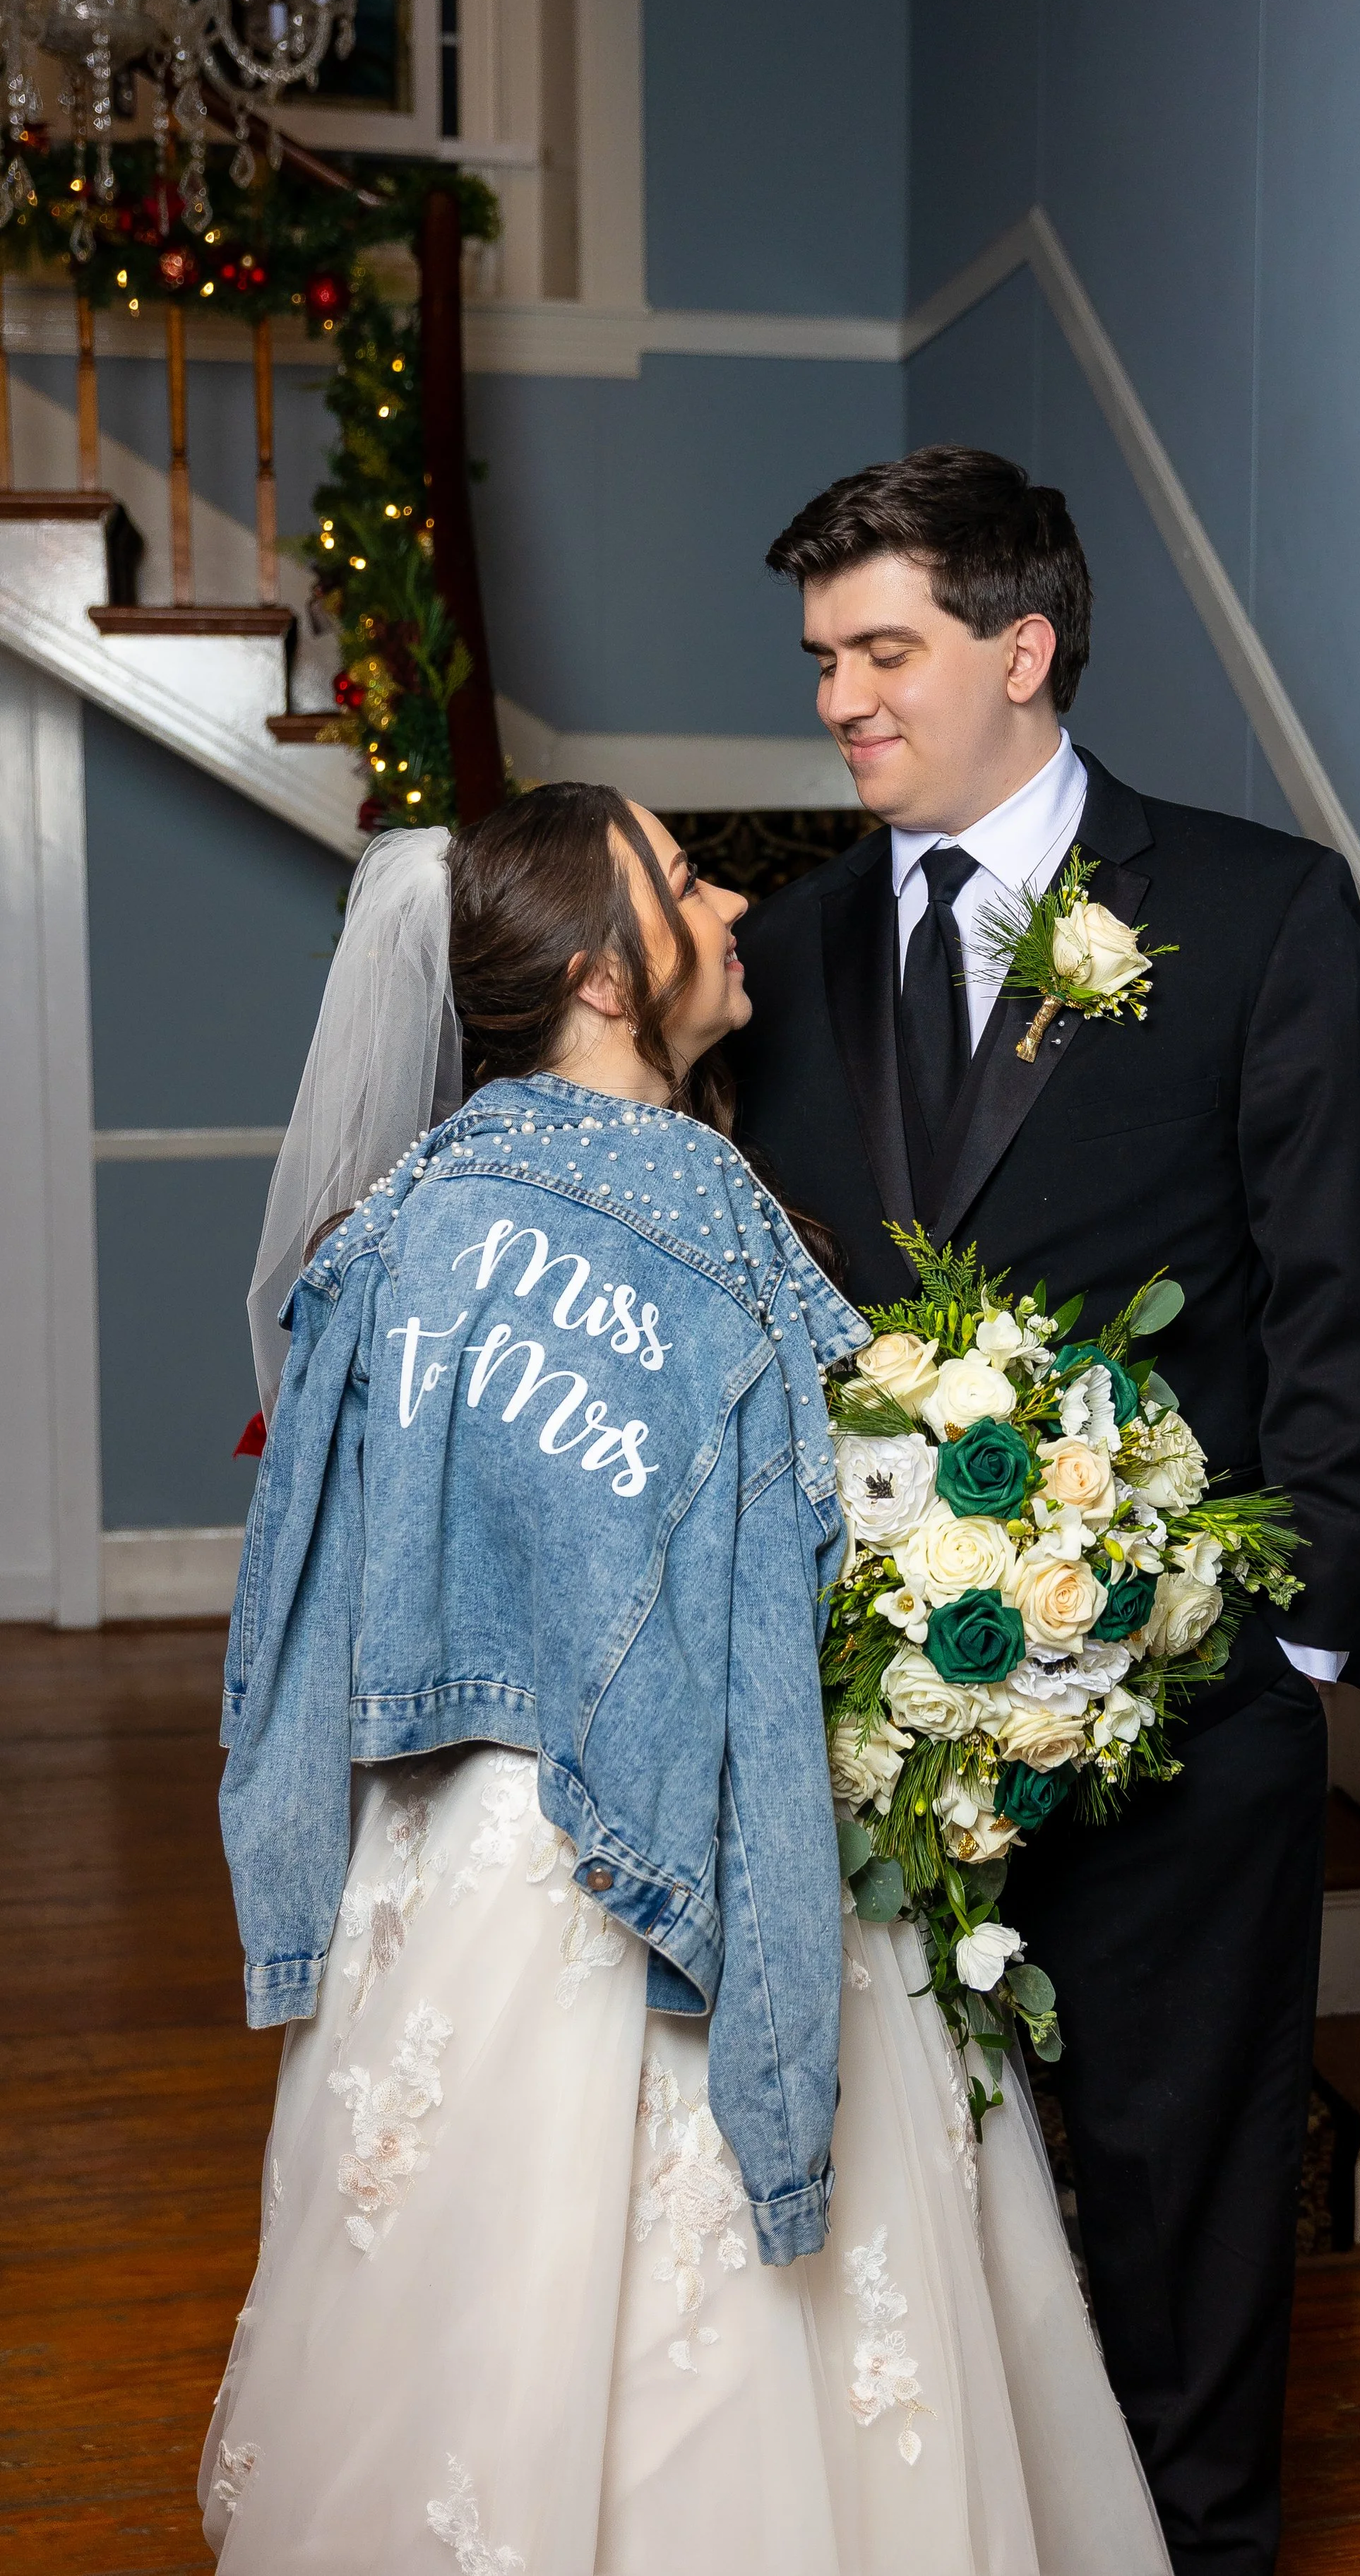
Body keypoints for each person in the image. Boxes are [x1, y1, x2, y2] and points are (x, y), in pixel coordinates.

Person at [202, 782, 1171, 2573]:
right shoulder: (695, 1213)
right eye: (682, 877)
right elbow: (824, 1535)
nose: (732, 902)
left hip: (448, 1858)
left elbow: (320, 1591)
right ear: (595, 971)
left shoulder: (410, 1217)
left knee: (456, 2300)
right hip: (695, 1826)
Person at [729, 448, 1360, 2571]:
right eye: (821, 661)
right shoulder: (778, 941)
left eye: (882, 650)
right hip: (871, 1721)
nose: (840, 700)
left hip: (1183, 1710)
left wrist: (1278, 1647)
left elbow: (1352, 1291)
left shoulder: (1256, 907)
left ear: (1018, 648)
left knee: (1184, 2170)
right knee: (896, 2187)